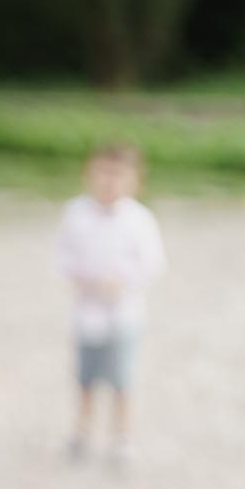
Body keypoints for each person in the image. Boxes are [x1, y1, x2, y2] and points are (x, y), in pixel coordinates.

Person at [55, 144, 164, 464]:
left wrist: (123, 282)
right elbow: (62, 256)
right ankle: (82, 430)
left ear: (135, 181)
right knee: (85, 377)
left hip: (124, 313)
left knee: (122, 378)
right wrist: (82, 278)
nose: (109, 181)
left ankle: (122, 434)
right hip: (86, 312)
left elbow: (154, 264)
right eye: (103, 172)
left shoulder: (140, 219)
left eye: (118, 175)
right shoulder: (75, 213)